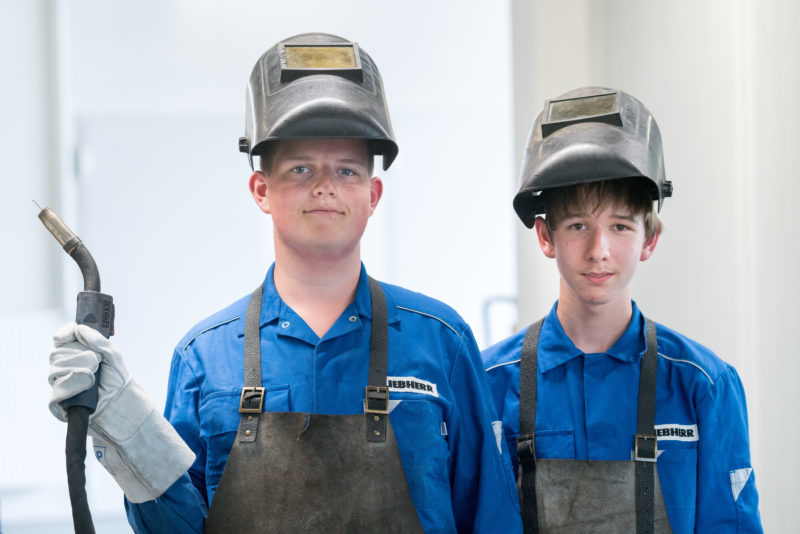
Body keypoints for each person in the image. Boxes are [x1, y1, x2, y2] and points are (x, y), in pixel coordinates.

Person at [47, 33, 522, 533]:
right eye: (300, 169)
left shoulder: (441, 343)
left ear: (373, 193)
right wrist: (128, 429)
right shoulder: (204, 360)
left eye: (346, 170)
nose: (325, 186)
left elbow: (492, 517)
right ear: (261, 190)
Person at [482, 87, 763, 533]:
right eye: (578, 226)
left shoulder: (702, 385)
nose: (600, 250)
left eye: (620, 226)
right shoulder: (492, 384)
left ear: (649, 239)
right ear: (545, 236)